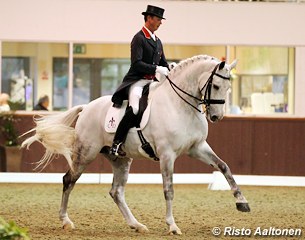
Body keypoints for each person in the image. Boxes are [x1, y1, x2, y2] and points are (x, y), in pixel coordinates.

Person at [110, 5, 169, 156]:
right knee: (135, 109)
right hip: (137, 81)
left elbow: (163, 63)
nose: (160, 23)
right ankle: (116, 143)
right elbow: (136, 63)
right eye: (158, 19)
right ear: (149, 18)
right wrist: (156, 69)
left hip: (152, 83)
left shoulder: (158, 41)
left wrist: (170, 69)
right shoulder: (139, 38)